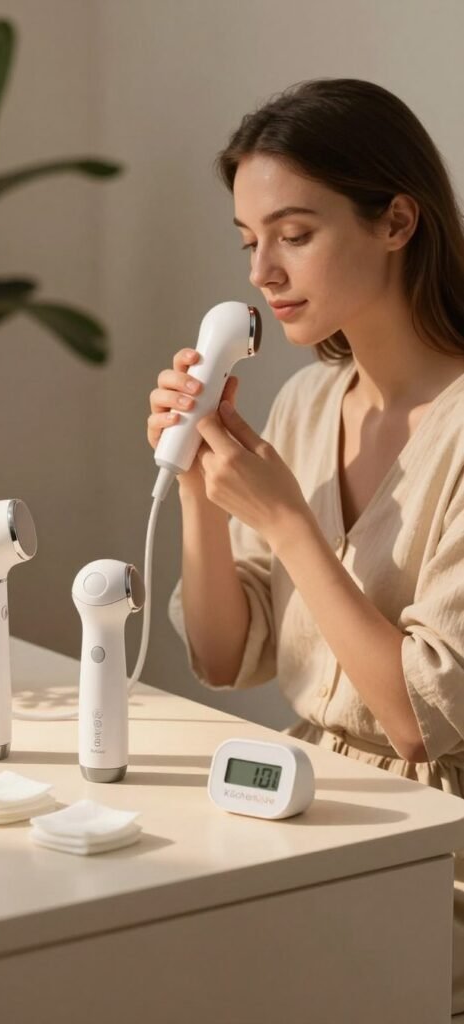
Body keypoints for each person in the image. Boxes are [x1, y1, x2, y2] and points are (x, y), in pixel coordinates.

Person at [147, 78, 464, 1012]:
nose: (262, 274)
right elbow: (219, 655)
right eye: (249, 242)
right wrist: (204, 478)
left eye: (293, 233)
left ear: (396, 220)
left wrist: (287, 518)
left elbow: (420, 719)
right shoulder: (304, 404)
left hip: (433, 851)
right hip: (308, 807)